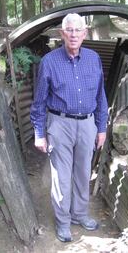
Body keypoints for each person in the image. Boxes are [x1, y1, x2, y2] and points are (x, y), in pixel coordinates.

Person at [30, 13, 108, 242]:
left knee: (83, 173)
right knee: (61, 177)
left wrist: (101, 128)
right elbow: (39, 102)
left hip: (87, 124)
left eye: (78, 30)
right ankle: (63, 222)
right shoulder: (50, 62)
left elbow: (101, 96)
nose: (73, 34)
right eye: (69, 30)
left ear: (85, 33)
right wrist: (39, 134)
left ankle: (79, 214)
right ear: (62, 34)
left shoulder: (94, 59)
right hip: (59, 124)